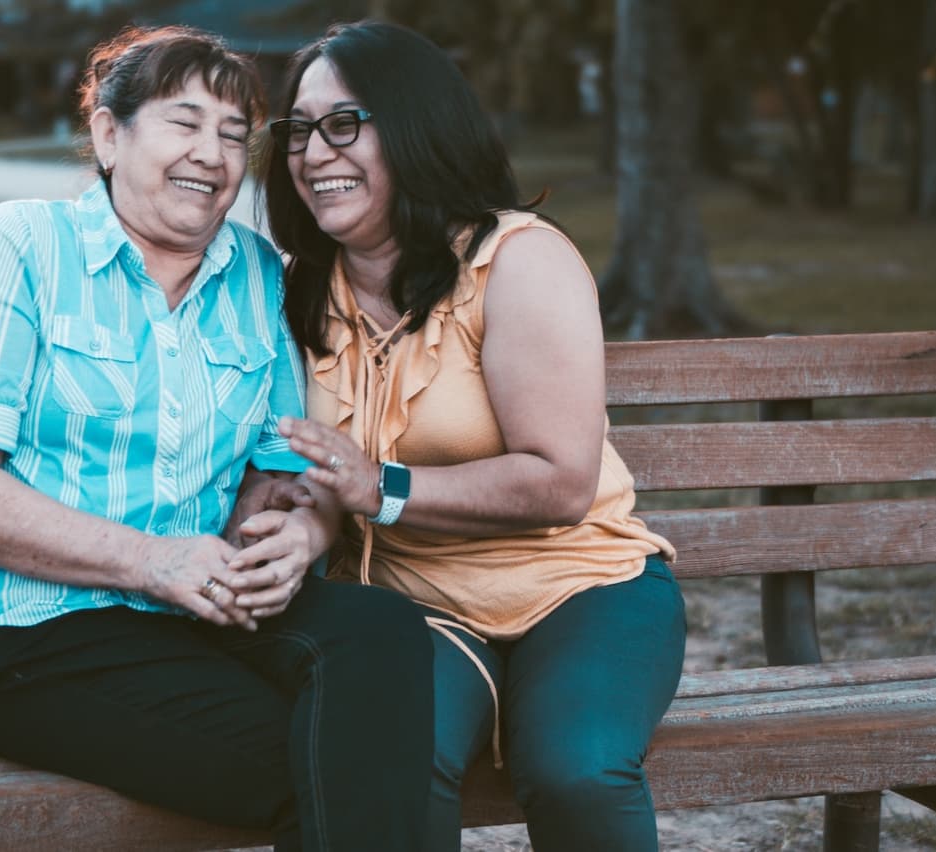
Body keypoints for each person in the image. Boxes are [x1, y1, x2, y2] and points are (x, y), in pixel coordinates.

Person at [0, 26, 433, 851]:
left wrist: (290, 532)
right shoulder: (22, 247)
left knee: (381, 634)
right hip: (35, 633)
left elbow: (280, 471)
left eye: (234, 134)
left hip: (198, 610)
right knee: (329, 761)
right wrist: (153, 560)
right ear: (109, 134)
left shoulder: (259, 274)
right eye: (185, 122)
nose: (211, 153)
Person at [260, 21, 688, 851]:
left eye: (344, 123)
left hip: (580, 589)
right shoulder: (299, 293)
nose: (314, 153)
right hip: (411, 607)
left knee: (579, 769)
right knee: (385, 762)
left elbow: (561, 481)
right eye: (298, 131)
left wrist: (379, 487)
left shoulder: (518, 261)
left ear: (417, 125)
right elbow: (310, 471)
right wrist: (287, 518)